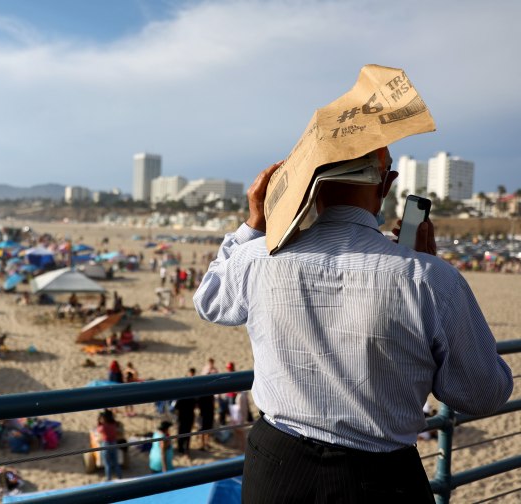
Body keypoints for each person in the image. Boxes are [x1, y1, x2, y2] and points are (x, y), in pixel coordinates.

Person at [193, 150, 513, 503]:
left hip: (275, 462)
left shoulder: (259, 257)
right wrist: (427, 269)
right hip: (379, 475)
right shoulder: (430, 279)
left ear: (310, 182)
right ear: (387, 184)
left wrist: (254, 223)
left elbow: (209, 301)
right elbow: (482, 394)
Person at [173, 368, 198, 457]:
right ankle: (186, 449)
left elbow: (176, 407)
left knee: (181, 433)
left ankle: (181, 448)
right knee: (188, 433)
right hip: (189, 416)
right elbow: (196, 405)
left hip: (182, 417)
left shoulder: (181, 395)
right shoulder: (192, 395)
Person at [96, 410, 122, 481]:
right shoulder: (114, 424)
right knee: (116, 463)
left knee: (107, 464)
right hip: (114, 443)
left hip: (106, 444)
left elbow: (98, 429)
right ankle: (120, 477)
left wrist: (99, 422)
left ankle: (108, 478)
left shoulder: (103, 427)